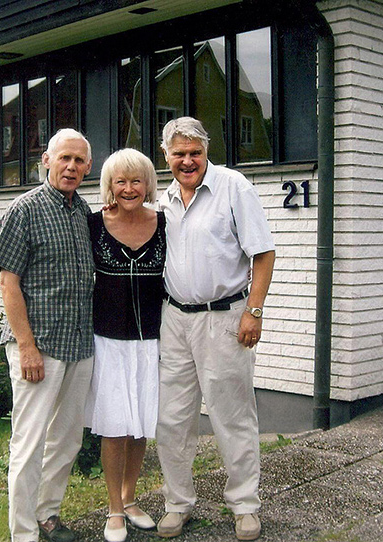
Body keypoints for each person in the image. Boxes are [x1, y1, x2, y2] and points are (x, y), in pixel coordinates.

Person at [154, 117, 275, 541]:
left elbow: (263, 254)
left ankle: (244, 506)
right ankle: (177, 503)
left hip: (225, 318)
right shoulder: (162, 198)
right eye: (179, 153)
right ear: (166, 155)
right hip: (174, 320)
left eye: (196, 153)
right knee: (171, 419)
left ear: (207, 152)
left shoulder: (233, 187)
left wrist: (253, 313)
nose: (188, 161)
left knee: (232, 416)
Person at [0, 128, 95, 542]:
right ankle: (23, 534)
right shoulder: (25, 209)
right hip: (38, 347)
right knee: (29, 444)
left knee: (66, 439)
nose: (71, 166)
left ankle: (47, 515)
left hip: (79, 345)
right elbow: (8, 283)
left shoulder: (83, 211)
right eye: (64, 158)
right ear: (47, 160)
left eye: (79, 161)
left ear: (88, 168)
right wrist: (26, 346)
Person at [85, 149, 164, 542]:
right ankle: (114, 509)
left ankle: (131, 499)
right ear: (109, 186)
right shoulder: (93, 223)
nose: (129, 188)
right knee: (115, 427)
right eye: (121, 181)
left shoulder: (165, 223)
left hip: (152, 340)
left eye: (136, 181)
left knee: (140, 426)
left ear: (148, 184)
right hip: (108, 340)